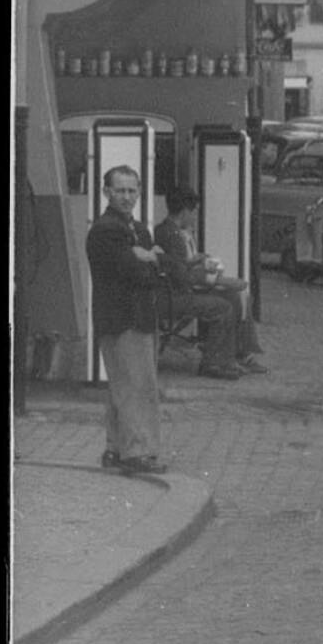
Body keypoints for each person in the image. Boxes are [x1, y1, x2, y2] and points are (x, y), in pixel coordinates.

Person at [85, 167, 170, 475]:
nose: (126, 196)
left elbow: (153, 269)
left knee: (122, 387)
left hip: (132, 317)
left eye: (132, 190)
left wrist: (147, 258)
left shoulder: (136, 230)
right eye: (120, 190)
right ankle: (138, 452)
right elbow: (135, 272)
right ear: (106, 192)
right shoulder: (106, 230)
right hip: (124, 319)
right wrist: (149, 258)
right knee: (137, 387)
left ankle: (116, 448)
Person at [155, 187, 264, 378]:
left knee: (233, 296)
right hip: (174, 296)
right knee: (223, 306)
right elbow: (182, 279)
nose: (195, 217)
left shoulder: (166, 231)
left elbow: (176, 266)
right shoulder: (173, 236)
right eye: (194, 212)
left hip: (173, 291)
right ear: (185, 211)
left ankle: (233, 356)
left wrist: (194, 262)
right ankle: (214, 362)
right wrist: (214, 280)